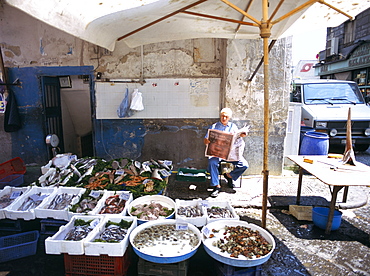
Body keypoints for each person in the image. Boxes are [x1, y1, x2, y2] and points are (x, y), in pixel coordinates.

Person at [204, 108, 249, 197]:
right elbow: (205, 141)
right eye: (222, 116)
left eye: (226, 117)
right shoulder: (214, 126)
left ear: (229, 118)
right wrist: (207, 140)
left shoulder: (233, 126)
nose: (224, 118)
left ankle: (229, 176)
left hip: (231, 155)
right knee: (212, 162)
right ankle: (216, 186)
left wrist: (242, 135)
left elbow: (238, 138)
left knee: (244, 165)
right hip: (218, 154)